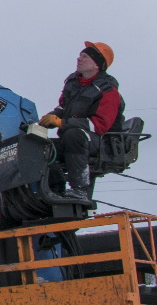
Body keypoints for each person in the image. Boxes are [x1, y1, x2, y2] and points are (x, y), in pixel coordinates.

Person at [38, 41, 124, 201]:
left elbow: (100, 125)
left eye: (85, 56)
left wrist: (61, 123)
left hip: (103, 142)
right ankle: (55, 191)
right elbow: (64, 108)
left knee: (74, 135)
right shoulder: (74, 83)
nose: (79, 59)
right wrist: (49, 118)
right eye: (80, 55)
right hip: (75, 136)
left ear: (97, 64)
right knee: (43, 147)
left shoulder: (108, 91)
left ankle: (80, 190)